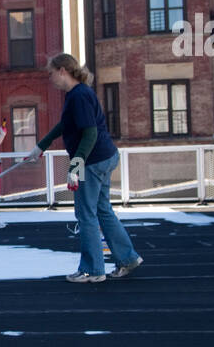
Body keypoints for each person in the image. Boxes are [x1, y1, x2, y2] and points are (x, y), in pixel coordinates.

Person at [23, 53, 142, 282]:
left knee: (86, 214)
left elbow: (90, 133)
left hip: (93, 161)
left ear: (62, 71)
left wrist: (75, 165)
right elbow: (65, 124)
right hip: (104, 157)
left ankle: (93, 270)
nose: (50, 79)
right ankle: (127, 258)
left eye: (51, 73)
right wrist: (41, 146)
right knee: (102, 210)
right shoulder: (78, 94)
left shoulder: (78, 96)